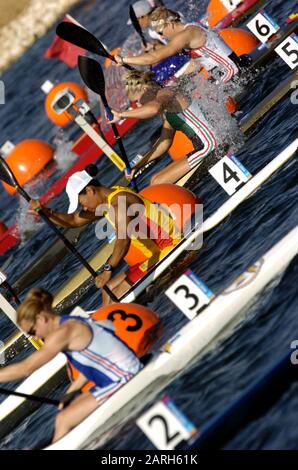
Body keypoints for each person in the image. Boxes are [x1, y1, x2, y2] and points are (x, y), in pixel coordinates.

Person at [0, 288, 142, 442]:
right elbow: (92, 363)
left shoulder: (63, 332)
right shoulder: (69, 320)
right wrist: (71, 391)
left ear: (41, 318)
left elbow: (26, 368)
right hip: (119, 375)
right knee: (69, 409)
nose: (37, 336)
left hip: (125, 376)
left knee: (64, 419)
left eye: (33, 331)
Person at [29, 165, 182, 304]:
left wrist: (109, 268)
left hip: (171, 249)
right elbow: (74, 221)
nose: (84, 207)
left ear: (90, 190)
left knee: (115, 297)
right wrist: (45, 211)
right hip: (155, 255)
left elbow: (123, 238)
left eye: (82, 203)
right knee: (107, 290)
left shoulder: (118, 203)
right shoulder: (108, 199)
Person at [110, 70, 221, 185]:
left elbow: (153, 109)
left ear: (145, 90)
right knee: (154, 178)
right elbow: (164, 143)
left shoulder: (166, 93)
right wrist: (138, 166)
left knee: (157, 183)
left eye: (137, 101)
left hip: (211, 145)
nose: (138, 105)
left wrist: (121, 115)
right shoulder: (166, 110)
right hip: (204, 146)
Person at [116, 6, 241, 84]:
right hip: (228, 72)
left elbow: (155, 57)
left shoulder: (186, 34)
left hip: (234, 73)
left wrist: (123, 60)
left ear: (170, 24)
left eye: (161, 32)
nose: (163, 37)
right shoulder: (188, 30)